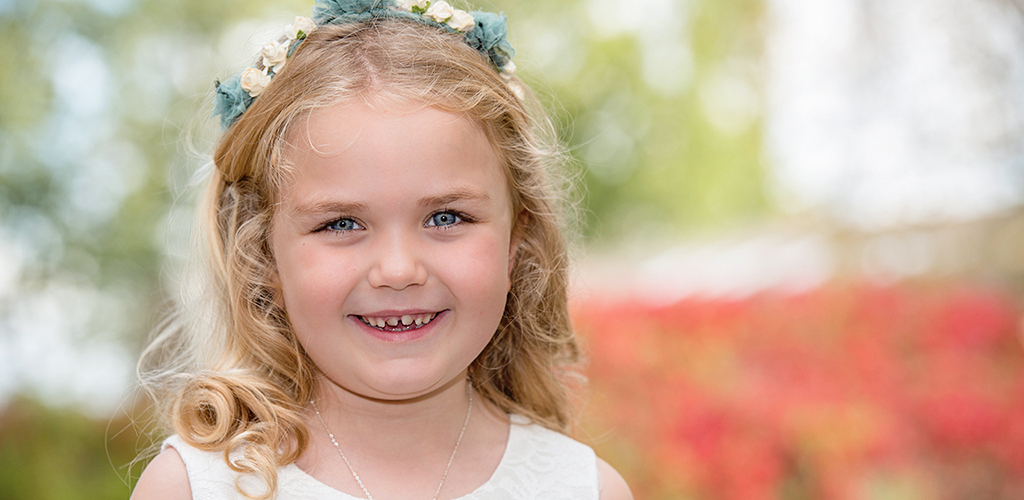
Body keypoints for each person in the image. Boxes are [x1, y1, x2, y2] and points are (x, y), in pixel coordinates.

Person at [131, 1, 633, 498]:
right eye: (342, 223)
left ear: (515, 244)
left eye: (446, 217)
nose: (398, 270)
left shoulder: (583, 488)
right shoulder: (197, 489)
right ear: (262, 259)